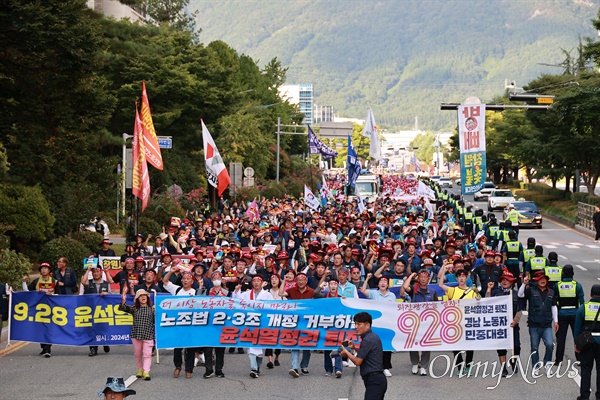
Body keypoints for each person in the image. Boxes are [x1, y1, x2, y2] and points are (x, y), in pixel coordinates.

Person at [438, 266, 478, 375]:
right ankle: (460, 367)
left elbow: (479, 300)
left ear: (466, 278)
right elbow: (441, 285)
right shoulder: (453, 290)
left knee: (470, 345)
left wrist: (478, 295)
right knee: (456, 346)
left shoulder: (472, 291)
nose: (461, 278)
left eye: (463, 276)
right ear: (456, 279)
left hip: (468, 322)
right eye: (459, 277)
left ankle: (469, 366)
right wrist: (444, 271)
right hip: (455, 322)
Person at [232, 275, 274, 378]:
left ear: (262, 283)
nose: (256, 283)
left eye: (258, 281)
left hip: (262, 324)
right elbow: (236, 302)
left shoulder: (267, 295)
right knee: (250, 348)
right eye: (254, 281)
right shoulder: (246, 294)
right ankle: (253, 368)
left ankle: (257, 368)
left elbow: (273, 306)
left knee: (261, 349)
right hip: (249, 324)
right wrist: (236, 291)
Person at [162, 265, 200, 379]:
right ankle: (178, 366)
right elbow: (165, 281)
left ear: (191, 281)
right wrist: (170, 271)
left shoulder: (195, 292)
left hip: (191, 324)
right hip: (178, 323)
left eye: (188, 279)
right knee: (177, 348)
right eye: (184, 279)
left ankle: (189, 369)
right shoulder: (177, 289)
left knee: (191, 348)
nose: (185, 281)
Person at [518, 270, 558, 374]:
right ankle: (535, 367)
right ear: (536, 281)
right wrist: (524, 283)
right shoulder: (531, 291)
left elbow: (554, 306)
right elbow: (520, 294)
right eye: (540, 279)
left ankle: (547, 364)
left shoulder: (552, 292)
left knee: (550, 344)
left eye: (544, 279)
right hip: (534, 324)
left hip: (547, 324)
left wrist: (556, 321)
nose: (542, 281)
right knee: (534, 347)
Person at [340, 312, 387, 400]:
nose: (356, 327)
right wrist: (354, 348)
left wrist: (346, 352)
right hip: (377, 380)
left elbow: (357, 362)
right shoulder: (372, 337)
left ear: (367, 325)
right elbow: (368, 353)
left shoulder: (367, 340)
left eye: (359, 324)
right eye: (355, 324)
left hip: (374, 381)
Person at [401, 269, 438, 376]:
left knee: (426, 345)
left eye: (425, 277)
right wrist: (412, 275)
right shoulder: (414, 289)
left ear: (428, 279)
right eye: (421, 277)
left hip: (428, 323)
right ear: (418, 278)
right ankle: (415, 363)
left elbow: (437, 307)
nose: (423, 279)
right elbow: (405, 287)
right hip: (415, 322)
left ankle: (424, 366)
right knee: (413, 343)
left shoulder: (432, 292)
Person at [485, 270, 522, 377]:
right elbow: (487, 302)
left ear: (512, 282)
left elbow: (520, 309)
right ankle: (503, 367)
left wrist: (515, 321)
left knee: (516, 346)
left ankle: (514, 361)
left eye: (508, 280)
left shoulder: (516, 294)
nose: (505, 282)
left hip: (513, 324)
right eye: (503, 280)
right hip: (500, 325)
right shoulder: (496, 292)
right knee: (501, 346)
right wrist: (489, 289)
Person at [360, 274, 396, 377]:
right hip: (375, 324)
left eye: (385, 281)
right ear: (378, 284)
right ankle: (373, 366)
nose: (383, 283)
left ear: (388, 284)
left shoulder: (392, 295)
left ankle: (386, 367)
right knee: (374, 345)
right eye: (381, 281)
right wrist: (367, 278)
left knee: (386, 346)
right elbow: (363, 290)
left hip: (387, 324)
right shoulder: (374, 293)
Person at [279, 272, 314, 377]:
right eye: (298, 280)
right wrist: (284, 280)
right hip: (294, 322)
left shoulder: (311, 292)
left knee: (307, 346)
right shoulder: (292, 290)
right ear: (296, 281)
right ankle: (294, 367)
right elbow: (281, 294)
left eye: (302, 280)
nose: (301, 282)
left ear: (306, 281)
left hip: (308, 323)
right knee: (295, 344)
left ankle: (304, 366)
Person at [22, 262, 59, 357]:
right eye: (42, 268)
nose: (44, 270)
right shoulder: (36, 281)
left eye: (46, 268)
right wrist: (24, 282)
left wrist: (52, 295)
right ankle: (43, 347)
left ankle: (47, 349)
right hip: (38, 310)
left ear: (49, 270)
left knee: (48, 328)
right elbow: (27, 292)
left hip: (50, 309)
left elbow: (59, 296)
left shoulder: (54, 282)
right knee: (40, 329)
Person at [119, 289, 155, 381]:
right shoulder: (134, 309)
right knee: (138, 354)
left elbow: (155, 321)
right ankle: (140, 369)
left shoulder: (152, 309)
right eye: (140, 296)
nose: (143, 297)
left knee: (147, 354)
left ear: (147, 298)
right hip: (136, 335)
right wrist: (123, 300)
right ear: (137, 299)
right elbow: (123, 308)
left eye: (144, 295)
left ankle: (146, 371)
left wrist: (155, 313)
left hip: (148, 335)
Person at [554, 264, 584, 364]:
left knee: (561, 338)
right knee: (577, 337)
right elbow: (582, 304)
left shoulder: (557, 285)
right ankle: (579, 359)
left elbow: (555, 301)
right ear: (573, 274)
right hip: (575, 314)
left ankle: (558, 360)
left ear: (562, 273)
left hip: (562, 313)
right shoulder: (577, 285)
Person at [574, 284, 600, 400]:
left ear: (590, 294)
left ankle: (584, 396)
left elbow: (577, 328)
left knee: (586, 369)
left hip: (587, 343)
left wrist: (577, 344)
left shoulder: (583, 307)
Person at [82, 264, 113, 356]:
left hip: (103, 310)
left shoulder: (106, 284)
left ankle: (105, 342)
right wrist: (88, 270)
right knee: (92, 330)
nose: (96, 274)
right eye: (94, 272)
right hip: (91, 310)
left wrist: (106, 293)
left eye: (98, 272)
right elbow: (83, 281)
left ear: (101, 272)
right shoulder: (89, 282)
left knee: (103, 328)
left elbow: (111, 296)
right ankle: (93, 349)